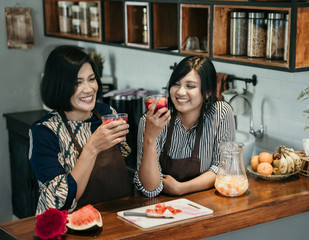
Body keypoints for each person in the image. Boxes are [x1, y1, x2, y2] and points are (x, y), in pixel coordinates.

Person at [29, 45, 132, 215]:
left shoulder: (107, 114)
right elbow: (57, 203)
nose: (89, 89)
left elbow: (125, 165)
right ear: (59, 86)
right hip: (68, 227)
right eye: (77, 82)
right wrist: (92, 148)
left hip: (116, 218)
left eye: (91, 79)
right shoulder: (44, 131)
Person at [134, 55, 236, 197]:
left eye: (190, 86)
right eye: (176, 84)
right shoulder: (153, 120)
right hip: (159, 207)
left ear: (207, 92)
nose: (180, 92)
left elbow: (223, 168)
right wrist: (150, 138)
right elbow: (150, 189)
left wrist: (181, 188)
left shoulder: (221, 113)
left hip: (205, 202)